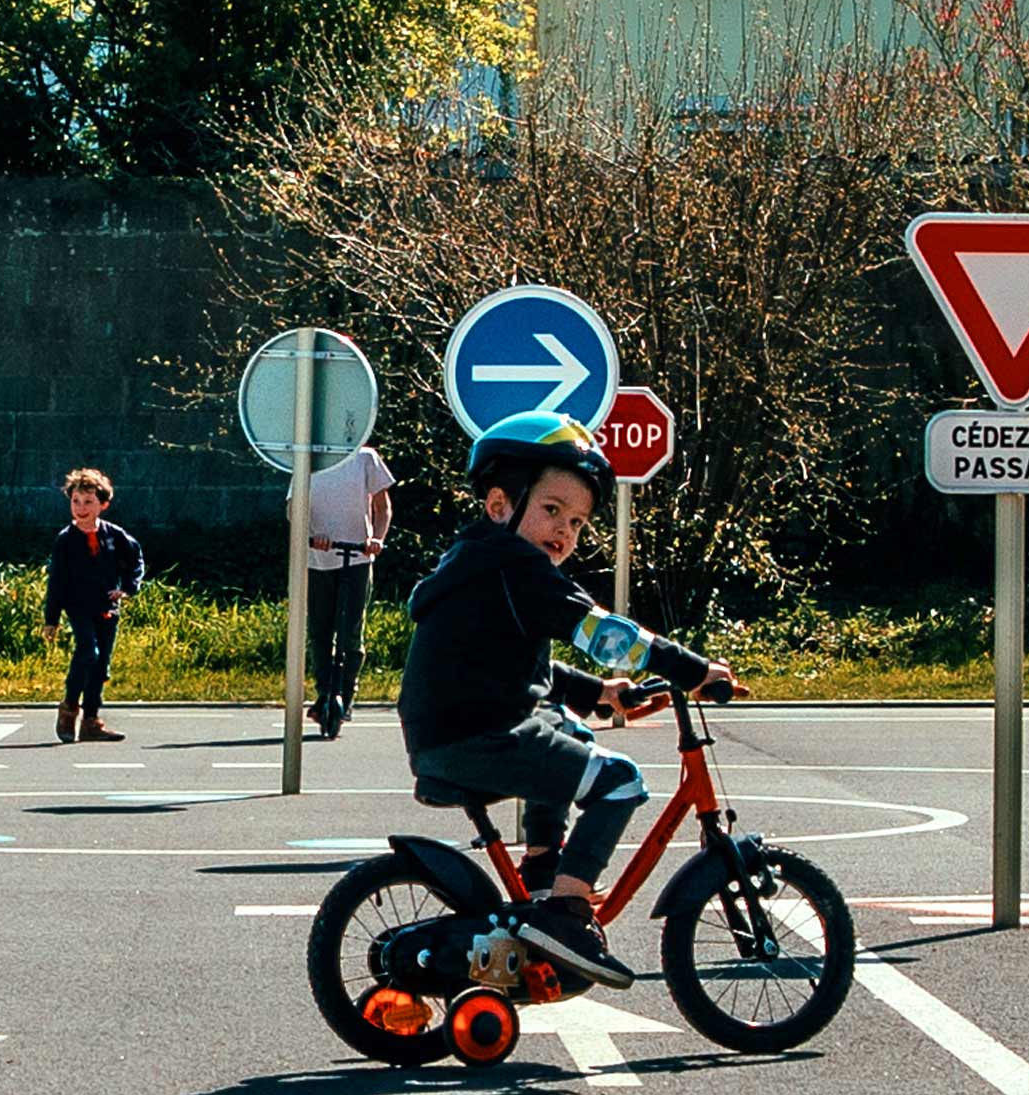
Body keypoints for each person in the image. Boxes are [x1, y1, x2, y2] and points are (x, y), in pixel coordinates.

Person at [396, 409, 733, 991]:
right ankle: (566, 916)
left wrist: (599, 693)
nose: (565, 532)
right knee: (620, 782)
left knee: (569, 728)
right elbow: (606, 634)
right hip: (483, 734)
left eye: (577, 522)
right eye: (552, 510)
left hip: (455, 732)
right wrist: (692, 670)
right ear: (500, 504)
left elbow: (523, 665)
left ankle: (544, 871)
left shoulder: (481, 566)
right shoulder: (517, 569)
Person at [292, 443, 395, 725]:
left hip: (358, 558)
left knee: (351, 633)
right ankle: (324, 693)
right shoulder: (309, 457)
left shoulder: (365, 458)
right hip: (319, 559)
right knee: (319, 631)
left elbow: (382, 506)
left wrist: (377, 539)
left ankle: (346, 696)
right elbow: (293, 508)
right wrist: (313, 534)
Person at [43, 466, 144, 744]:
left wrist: (127, 588)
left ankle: (91, 720)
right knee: (88, 651)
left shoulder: (115, 535)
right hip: (78, 606)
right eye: (76, 501)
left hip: (107, 608)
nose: (81, 508)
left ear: (103, 504)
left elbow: (135, 561)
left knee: (101, 666)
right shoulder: (65, 541)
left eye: (88, 502)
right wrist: (51, 619)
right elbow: (57, 581)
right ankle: (68, 709)